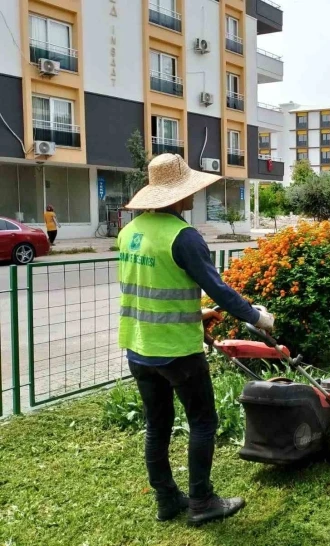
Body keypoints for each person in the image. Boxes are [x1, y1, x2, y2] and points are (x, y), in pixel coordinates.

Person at [117, 153, 274, 526]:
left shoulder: (130, 232)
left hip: (138, 346)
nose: (194, 195)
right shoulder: (183, 236)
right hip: (175, 350)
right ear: (178, 195)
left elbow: (152, 287)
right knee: (203, 422)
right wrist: (257, 317)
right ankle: (202, 502)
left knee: (157, 425)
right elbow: (217, 289)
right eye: (189, 189)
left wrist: (196, 314)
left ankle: (167, 499)